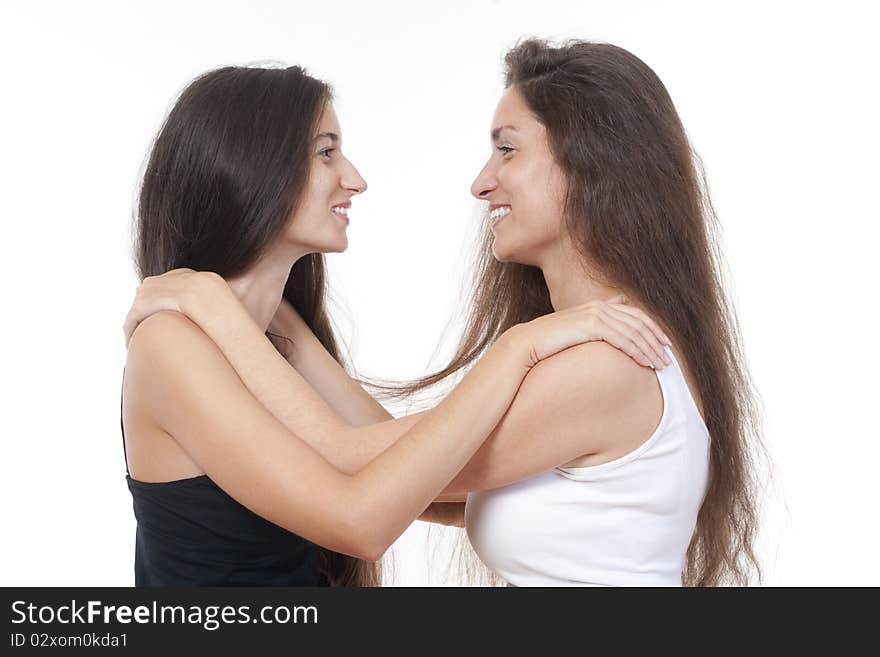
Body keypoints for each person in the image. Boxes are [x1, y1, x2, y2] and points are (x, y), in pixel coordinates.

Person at [121, 63, 669, 587]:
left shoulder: (271, 331)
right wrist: (518, 347)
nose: (354, 180)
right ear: (252, 163)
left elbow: (393, 467)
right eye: (326, 153)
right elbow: (358, 520)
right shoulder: (172, 344)